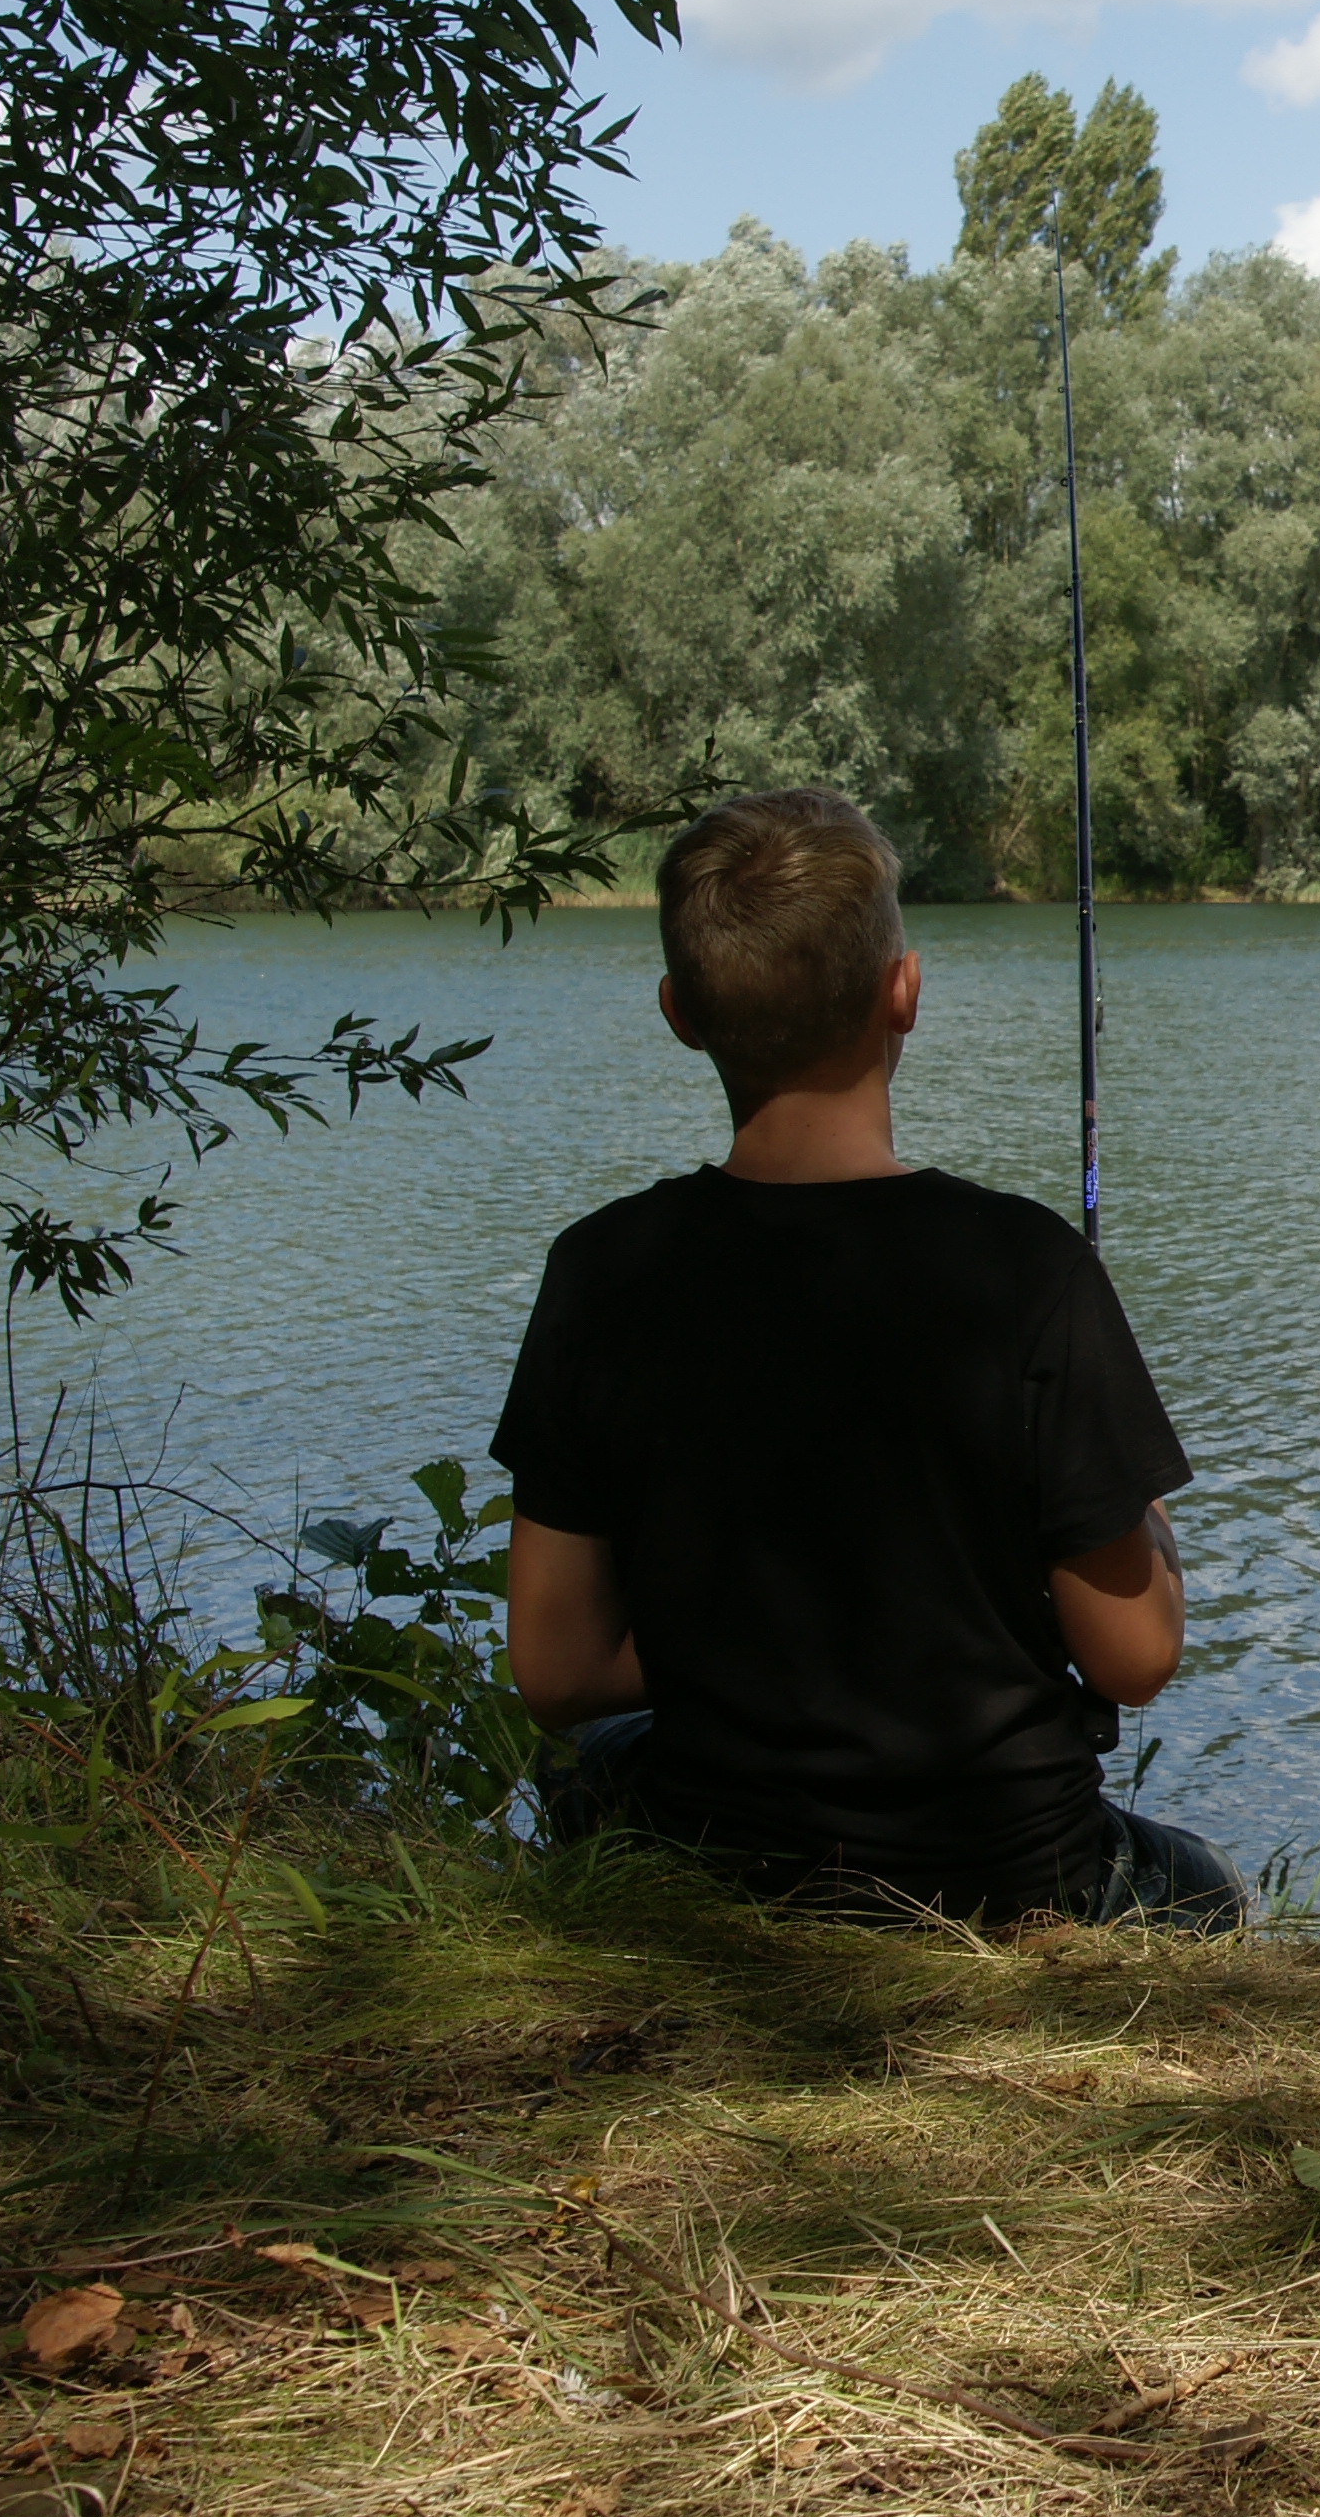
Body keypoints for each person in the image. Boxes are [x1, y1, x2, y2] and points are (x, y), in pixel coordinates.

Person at [494, 787, 1242, 1929]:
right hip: (1010, 1882)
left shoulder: (600, 1269)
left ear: (679, 1013)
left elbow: (556, 1674)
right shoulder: (1026, 1266)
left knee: (583, 1766)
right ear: (905, 993)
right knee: (1212, 1887)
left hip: (718, 1863)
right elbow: (1134, 1660)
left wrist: (740, 1643)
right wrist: (1141, 1512)